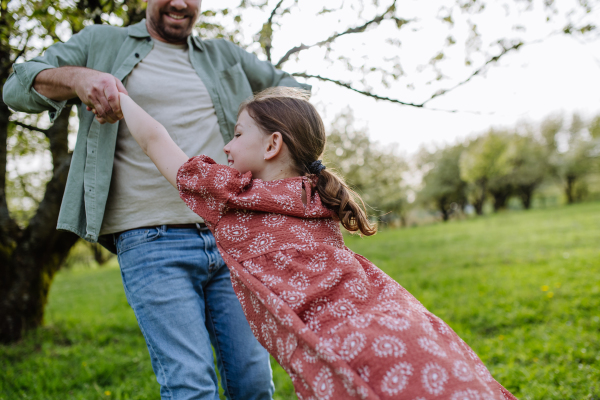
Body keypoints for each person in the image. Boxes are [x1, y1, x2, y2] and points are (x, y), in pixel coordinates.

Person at [118, 87, 518, 400]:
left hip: (337, 345)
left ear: (272, 145)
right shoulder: (318, 194)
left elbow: (156, 142)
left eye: (237, 134)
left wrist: (120, 99)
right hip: (394, 321)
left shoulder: (234, 195)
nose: (227, 146)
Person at [3, 1, 310, 398]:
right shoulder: (102, 42)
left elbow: (295, 95)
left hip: (234, 236)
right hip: (150, 242)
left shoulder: (225, 55)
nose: (181, 2)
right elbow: (16, 87)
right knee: (190, 385)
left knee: (253, 382)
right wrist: (79, 79)